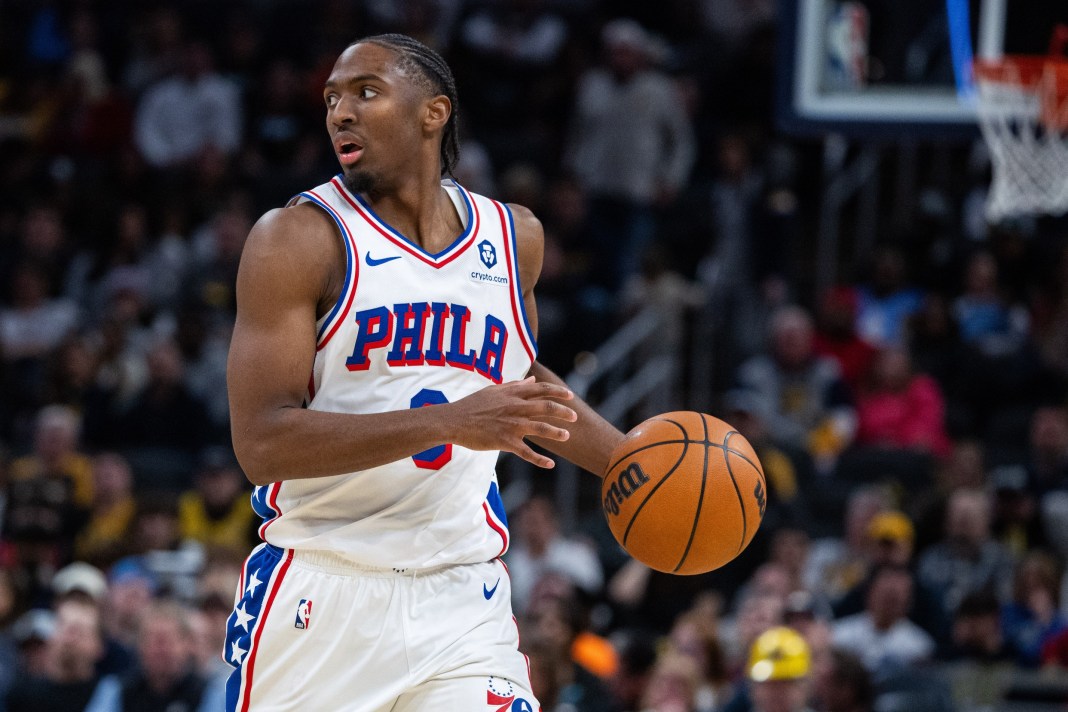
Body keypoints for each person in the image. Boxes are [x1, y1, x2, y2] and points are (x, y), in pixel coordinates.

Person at [223, 33, 624, 712]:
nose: (340, 113)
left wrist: (629, 463)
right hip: (324, 592)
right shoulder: (298, 239)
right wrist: (449, 422)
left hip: (463, 594)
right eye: (331, 99)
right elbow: (262, 444)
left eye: (365, 92)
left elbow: (519, 383)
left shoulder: (512, 237)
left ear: (432, 112)